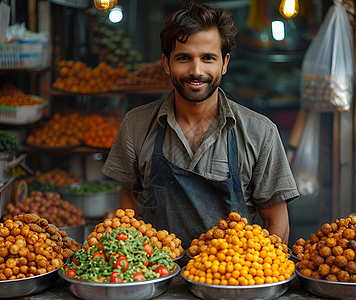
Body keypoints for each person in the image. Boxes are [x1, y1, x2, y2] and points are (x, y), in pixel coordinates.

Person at [102, 2, 299, 248]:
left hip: (229, 279)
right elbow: (129, 203)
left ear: (224, 63)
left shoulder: (260, 132)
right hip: (159, 276)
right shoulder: (136, 125)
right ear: (166, 63)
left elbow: (276, 224)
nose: (196, 71)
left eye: (208, 58)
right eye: (184, 58)